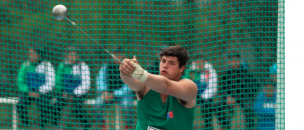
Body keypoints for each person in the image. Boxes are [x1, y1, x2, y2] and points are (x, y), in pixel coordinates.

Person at [119, 45, 198, 130]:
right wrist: (125, 69)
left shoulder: (189, 86)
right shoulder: (147, 85)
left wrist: (141, 73)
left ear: (182, 68)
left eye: (171, 63)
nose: (165, 65)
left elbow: (165, 86)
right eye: (163, 61)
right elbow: (131, 82)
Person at [217, 51, 260, 130]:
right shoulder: (226, 73)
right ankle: (225, 125)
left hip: (244, 97)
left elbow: (253, 87)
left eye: (236, 60)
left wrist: (236, 97)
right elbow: (222, 88)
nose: (234, 62)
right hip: (230, 97)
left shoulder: (246, 72)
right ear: (229, 62)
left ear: (240, 60)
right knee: (217, 105)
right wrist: (227, 96)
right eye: (232, 60)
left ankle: (250, 127)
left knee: (248, 108)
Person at [95, 47, 134, 129]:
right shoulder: (106, 66)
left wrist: (115, 94)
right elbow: (100, 80)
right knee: (97, 104)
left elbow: (130, 86)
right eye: (116, 54)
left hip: (123, 96)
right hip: (107, 94)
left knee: (126, 106)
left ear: (123, 56)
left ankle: (129, 125)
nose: (117, 57)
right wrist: (104, 91)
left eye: (120, 55)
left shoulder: (128, 67)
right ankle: (103, 125)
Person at [52, 47, 91, 130]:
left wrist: (74, 93)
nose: (72, 57)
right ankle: (57, 126)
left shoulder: (83, 66)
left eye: (74, 55)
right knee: (55, 106)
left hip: (79, 94)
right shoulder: (62, 66)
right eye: (70, 55)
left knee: (77, 107)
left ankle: (86, 126)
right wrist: (63, 91)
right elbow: (58, 81)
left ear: (77, 56)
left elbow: (86, 84)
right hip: (64, 94)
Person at [16, 48, 55, 128]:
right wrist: (28, 91)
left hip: (43, 93)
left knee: (44, 106)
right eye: (30, 54)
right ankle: (27, 125)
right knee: (20, 105)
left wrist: (39, 91)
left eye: (33, 54)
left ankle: (43, 126)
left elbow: (51, 82)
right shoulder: (25, 65)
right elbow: (20, 81)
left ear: (39, 55)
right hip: (29, 92)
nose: (30, 56)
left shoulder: (47, 65)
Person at [254, 63, 277, 130]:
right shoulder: (261, 96)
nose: (268, 91)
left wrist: (265, 112)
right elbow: (257, 109)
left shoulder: (277, 96)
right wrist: (271, 112)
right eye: (267, 89)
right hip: (262, 127)